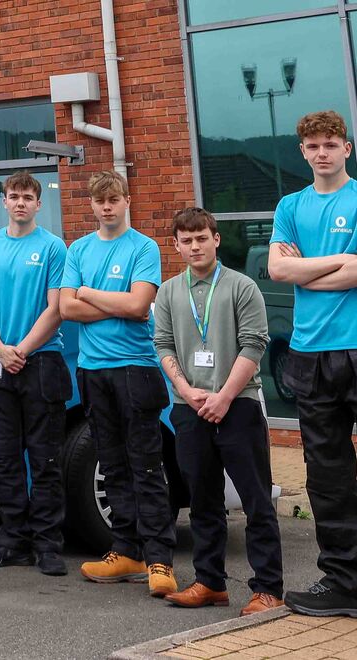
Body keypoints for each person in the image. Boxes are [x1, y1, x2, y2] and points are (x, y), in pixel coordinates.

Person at [153, 207, 284, 615]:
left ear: (216, 239)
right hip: (188, 407)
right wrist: (186, 390)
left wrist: (224, 395)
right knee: (203, 499)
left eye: (201, 238)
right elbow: (163, 345)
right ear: (176, 245)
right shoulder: (168, 292)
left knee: (255, 499)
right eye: (186, 240)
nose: (195, 246)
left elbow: (254, 344)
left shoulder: (242, 287)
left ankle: (268, 589)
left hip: (238, 404)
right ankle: (209, 582)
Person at [62, 170, 176, 597]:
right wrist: (110, 302)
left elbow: (139, 303)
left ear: (127, 200)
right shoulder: (79, 249)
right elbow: (67, 308)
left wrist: (88, 293)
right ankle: (125, 549)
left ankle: (159, 557)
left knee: (146, 464)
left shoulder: (144, 247)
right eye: (99, 201)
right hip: (93, 371)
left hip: (135, 369)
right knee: (111, 464)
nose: (106, 207)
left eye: (113, 199)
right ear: (91, 205)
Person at [268, 110, 357, 618]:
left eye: (331, 144)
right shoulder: (290, 205)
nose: (322, 153)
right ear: (303, 152)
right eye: (313, 146)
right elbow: (278, 268)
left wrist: (305, 272)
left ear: (346, 147)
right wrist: (338, 265)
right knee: (327, 475)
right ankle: (344, 581)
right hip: (310, 353)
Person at [0, 171, 71, 577]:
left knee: (44, 459)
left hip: (40, 361)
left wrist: (22, 350)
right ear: (4, 201)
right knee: (4, 456)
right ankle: (14, 541)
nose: (21, 202)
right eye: (14, 195)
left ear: (39, 203)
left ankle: (48, 545)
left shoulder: (53, 248)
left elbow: (56, 308)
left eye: (29, 196)